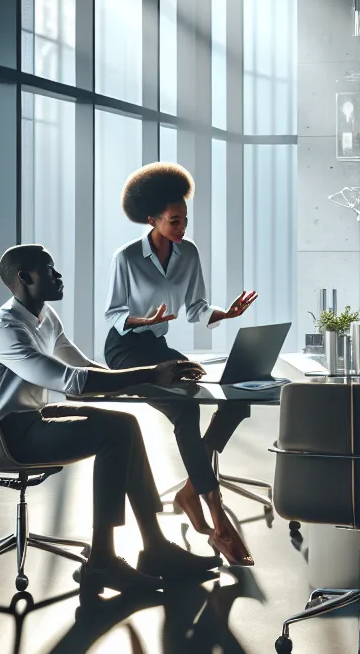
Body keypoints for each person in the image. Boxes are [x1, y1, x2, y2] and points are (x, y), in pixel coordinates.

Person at [0, 243, 222, 593]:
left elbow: (84, 367)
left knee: (126, 424)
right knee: (113, 432)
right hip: (6, 433)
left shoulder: (46, 318)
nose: (58, 275)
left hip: (34, 416)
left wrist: (150, 382)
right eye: (49, 270)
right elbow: (71, 382)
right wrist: (151, 373)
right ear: (25, 278)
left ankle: (155, 547)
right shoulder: (5, 329)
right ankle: (102, 561)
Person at [104, 163, 260, 565]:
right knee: (186, 410)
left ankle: (191, 490)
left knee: (234, 399)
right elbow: (113, 314)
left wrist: (226, 313)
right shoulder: (126, 258)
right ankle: (218, 521)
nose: (182, 227)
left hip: (157, 347)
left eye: (185, 220)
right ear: (152, 219)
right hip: (125, 351)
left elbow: (195, 308)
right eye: (174, 221)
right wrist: (145, 320)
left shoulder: (188, 253)